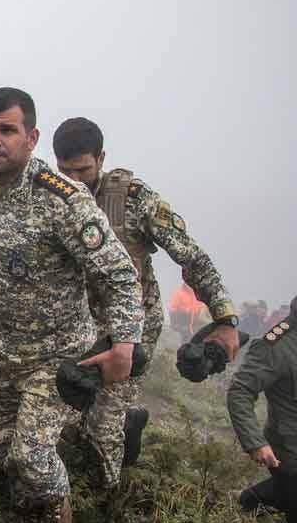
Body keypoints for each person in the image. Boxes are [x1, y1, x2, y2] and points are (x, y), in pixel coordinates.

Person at [0, 87, 144, 523]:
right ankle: (29, 511)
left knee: (31, 456)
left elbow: (119, 274)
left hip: (57, 357)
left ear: (31, 138)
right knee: (2, 448)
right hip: (1, 350)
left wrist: (125, 345)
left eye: (6, 130)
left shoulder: (64, 201)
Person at [52, 116, 240, 489]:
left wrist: (225, 317)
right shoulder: (53, 195)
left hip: (131, 326)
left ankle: (107, 498)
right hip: (78, 322)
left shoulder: (134, 199)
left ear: (101, 158)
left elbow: (192, 257)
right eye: (65, 170)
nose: (75, 180)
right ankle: (129, 418)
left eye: (83, 170)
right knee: (69, 408)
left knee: (104, 421)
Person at [228, 295, 297, 523]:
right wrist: (256, 442)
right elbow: (240, 392)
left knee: (285, 494)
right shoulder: (276, 346)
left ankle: (245, 499)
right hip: (290, 452)